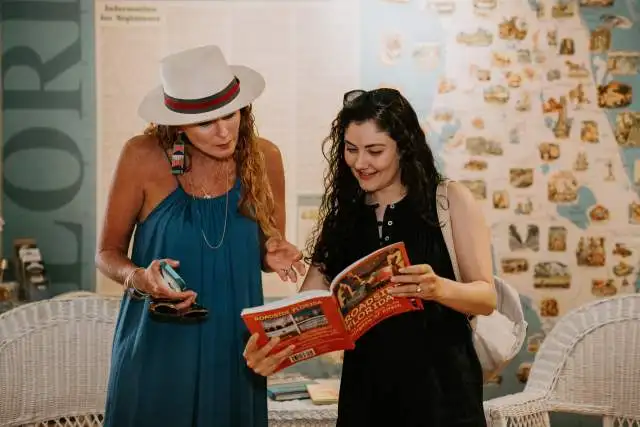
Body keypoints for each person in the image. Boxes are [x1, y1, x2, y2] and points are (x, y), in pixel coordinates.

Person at [243, 88, 496, 426]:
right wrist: (268, 348)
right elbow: (309, 306)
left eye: (375, 151)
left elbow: (486, 297)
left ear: (404, 147)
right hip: (365, 395)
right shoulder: (343, 218)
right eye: (351, 150)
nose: (360, 163)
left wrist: (437, 288)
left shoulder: (449, 200)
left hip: (443, 394)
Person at [96, 45, 305, 427]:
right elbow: (107, 252)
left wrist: (271, 253)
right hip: (157, 347)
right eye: (206, 122)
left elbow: (263, 248)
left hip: (234, 350)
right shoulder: (140, 157)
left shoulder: (265, 158)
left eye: (230, 114)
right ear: (177, 125)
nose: (224, 132)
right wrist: (139, 278)